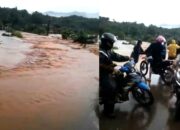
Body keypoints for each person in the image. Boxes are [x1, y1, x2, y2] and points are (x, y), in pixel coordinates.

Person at [99, 32, 130, 118]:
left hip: (109, 71)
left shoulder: (108, 50)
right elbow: (100, 65)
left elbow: (116, 56)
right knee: (111, 88)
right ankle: (108, 112)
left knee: (120, 75)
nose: (112, 44)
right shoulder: (101, 52)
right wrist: (110, 68)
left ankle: (119, 92)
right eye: (111, 42)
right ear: (106, 42)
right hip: (102, 74)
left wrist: (127, 58)